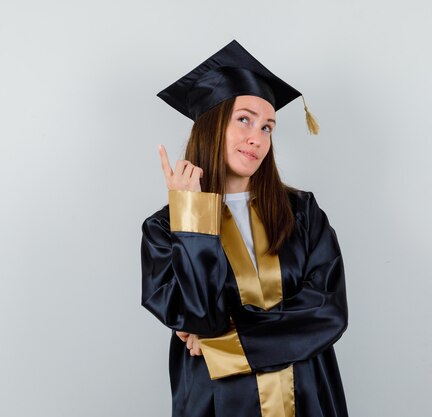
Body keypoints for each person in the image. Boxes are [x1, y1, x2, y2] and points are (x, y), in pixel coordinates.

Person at [141, 40, 349, 417]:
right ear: (211, 124)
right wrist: (192, 219)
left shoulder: (301, 213)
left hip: (308, 398)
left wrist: (222, 344)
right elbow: (201, 316)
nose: (258, 137)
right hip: (219, 403)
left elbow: (328, 311)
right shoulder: (164, 228)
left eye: (268, 127)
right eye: (244, 119)